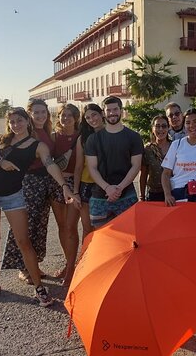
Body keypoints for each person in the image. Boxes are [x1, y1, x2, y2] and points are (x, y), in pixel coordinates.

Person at [0, 107, 74, 306]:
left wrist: (64, 186)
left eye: (19, 120)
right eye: (12, 121)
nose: (16, 125)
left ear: (27, 121)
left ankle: (39, 288)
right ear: (8, 123)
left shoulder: (37, 145)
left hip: (14, 196)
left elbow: (50, 164)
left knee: (24, 241)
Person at [1, 98, 55, 284]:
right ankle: (24, 268)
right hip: (28, 182)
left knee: (40, 225)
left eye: (43, 112)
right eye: (36, 112)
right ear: (29, 115)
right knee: (26, 225)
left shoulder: (47, 131)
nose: (40, 115)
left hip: (44, 182)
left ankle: (34, 265)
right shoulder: (27, 133)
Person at [85, 96, 144, 228]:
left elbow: (136, 165)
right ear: (103, 113)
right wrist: (107, 188)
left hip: (127, 196)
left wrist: (119, 188)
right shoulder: (93, 139)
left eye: (115, 109)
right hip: (100, 197)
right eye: (109, 110)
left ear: (121, 110)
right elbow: (92, 168)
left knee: (130, 238)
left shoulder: (133, 137)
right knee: (101, 240)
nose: (112, 113)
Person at [63, 103, 105, 287]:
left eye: (94, 115)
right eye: (88, 117)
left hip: (109, 187)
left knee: (105, 230)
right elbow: (79, 166)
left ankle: (101, 264)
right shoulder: (84, 138)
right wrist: (77, 192)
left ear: (101, 114)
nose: (92, 119)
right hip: (88, 186)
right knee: (88, 229)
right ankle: (82, 267)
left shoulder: (112, 132)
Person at [50, 103, 80, 280]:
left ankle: (70, 268)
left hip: (73, 184)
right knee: (61, 227)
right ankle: (68, 262)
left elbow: (80, 165)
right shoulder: (54, 137)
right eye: (63, 115)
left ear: (76, 118)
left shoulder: (80, 137)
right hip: (56, 183)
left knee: (70, 226)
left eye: (70, 115)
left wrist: (75, 189)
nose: (66, 118)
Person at [139, 114, 171, 202]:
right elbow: (143, 175)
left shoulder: (175, 147)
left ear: (168, 128)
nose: (161, 129)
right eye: (157, 126)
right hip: (154, 194)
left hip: (173, 192)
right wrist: (142, 197)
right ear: (152, 129)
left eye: (164, 126)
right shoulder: (147, 150)